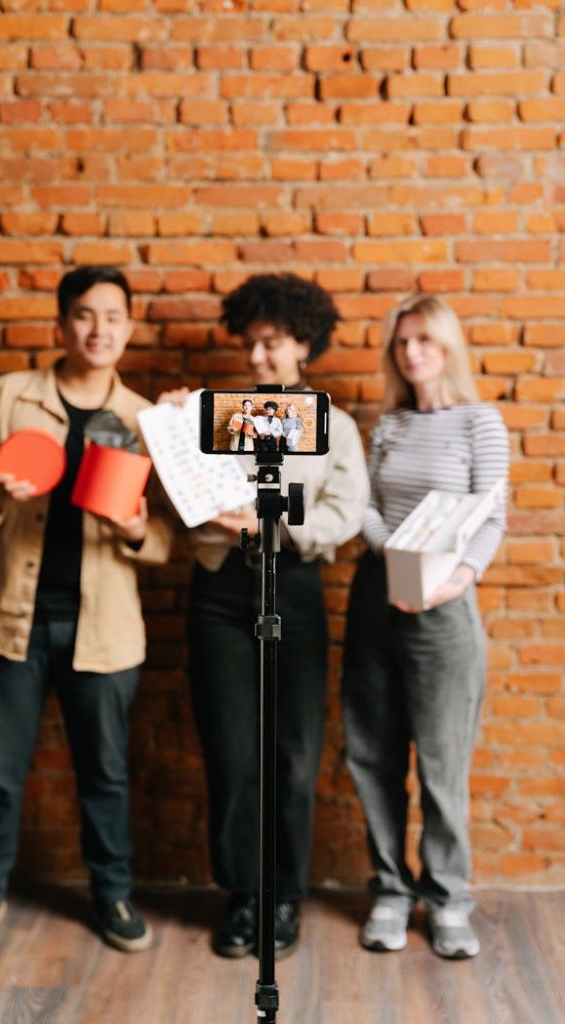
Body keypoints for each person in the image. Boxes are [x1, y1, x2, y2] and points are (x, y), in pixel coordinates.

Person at [0, 266, 171, 956]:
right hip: (8, 622)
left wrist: (135, 529)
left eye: (112, 316)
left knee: (104, 774)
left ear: (129, 327)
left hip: (104, 631)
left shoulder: (144, 420)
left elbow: (165, 536)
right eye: (83, 315)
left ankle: (112, 893)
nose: (97, 329)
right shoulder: (10, 397)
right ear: (61, 324)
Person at [161, 272, 369, 959]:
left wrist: (270, 518)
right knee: (232, 753)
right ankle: (243, 896)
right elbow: (177, 484)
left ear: (302, 344)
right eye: (248, 345)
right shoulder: (217, 413)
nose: (255, 359)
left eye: (270, 345)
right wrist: (166, 424)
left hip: (295, 591)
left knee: (293, 755)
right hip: (221, 592)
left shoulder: (332, 427)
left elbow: (342, 518)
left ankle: (284, 898)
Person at [342, 294, 509, 960]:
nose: (411, 352)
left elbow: (490, 517)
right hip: (375, 600)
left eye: (423, 340)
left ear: (446, 347)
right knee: (371, 755)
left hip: (444, 608)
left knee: (441, 765)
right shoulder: (385, 428)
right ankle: (390, 888)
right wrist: (398, 559)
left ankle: (446, 898)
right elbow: (365, 510)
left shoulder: (480, 423)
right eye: (401, 342)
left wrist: (451, 579)